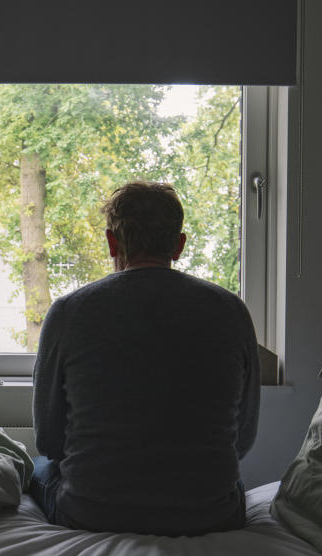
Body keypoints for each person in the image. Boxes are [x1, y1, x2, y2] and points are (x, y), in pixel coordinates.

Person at [30, 180, 260, 536]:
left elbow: (49, 439)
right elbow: (243, 437)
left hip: (93, 512)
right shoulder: (232, 311)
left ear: (111, 242)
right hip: (210, 514)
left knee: (37, 469)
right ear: (179, 246)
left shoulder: (68, 312)